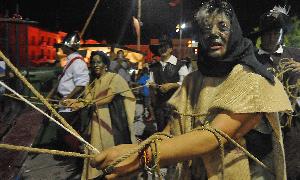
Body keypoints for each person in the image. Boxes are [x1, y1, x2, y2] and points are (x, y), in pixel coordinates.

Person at [89, 1, 292, 179]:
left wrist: (141, 155)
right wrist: (131, 154)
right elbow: (172, 131)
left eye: (222, 26)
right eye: (205, 28)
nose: (213, 34)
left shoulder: (251, 79)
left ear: (235, 31)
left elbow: (214, 136)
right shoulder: (193, 80)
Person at [65, 51, 136, 179]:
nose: (96, 65)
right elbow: (87, 100)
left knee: (111, 151)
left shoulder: (115, 78)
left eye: (99, 62)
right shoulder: (92, 83)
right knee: (95, 150)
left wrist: (85, 103)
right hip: (96, 122)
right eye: (93, 62)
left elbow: (106, 99)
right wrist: (74, 102)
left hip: (111, 124)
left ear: (106, 64)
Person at [252, 5, 300, 180]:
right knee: (264, 172)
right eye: (268, 33)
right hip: (261, 128)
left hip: (292, 128)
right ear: (262, 35)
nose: (272, 37)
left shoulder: (296, 54)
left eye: (276, 32)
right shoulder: (252, 59)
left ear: (282, 33)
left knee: (293, 169)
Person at [47, 31, 90, 152]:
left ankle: (78, 153)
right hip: (64, 101)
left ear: (68, 47)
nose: (61, 48)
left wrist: (67, 98)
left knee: (65, 129)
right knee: (66, 128)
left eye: (63, 46)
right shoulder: (71, 60)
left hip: (70, 103)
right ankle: (70, 152)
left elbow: (81, 85)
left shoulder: (78, 62)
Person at [149, 34, 189, 131]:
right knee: (161, 131)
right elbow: (150, 83)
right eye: (160, 47)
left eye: (165, 47)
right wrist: (152, 86)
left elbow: (187, 83)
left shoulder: (180, 65)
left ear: (171, 49)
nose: (162, 49)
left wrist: (173, 85)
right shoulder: (154, 67)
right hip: (159, 107)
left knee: (175, 132)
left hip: (175, 106)